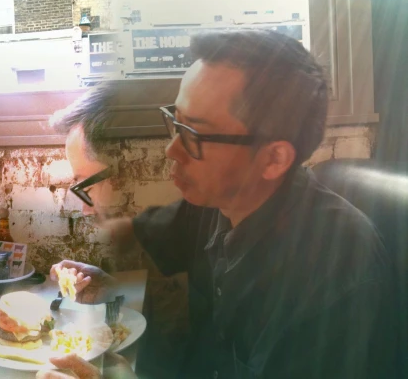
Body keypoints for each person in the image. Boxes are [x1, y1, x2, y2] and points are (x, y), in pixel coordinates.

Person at [48, 30, 394, 378]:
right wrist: (108, 288)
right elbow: (142, 238)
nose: (172, 151)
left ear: (273, 159)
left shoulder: (333, 274)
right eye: (176, 121)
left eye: (195, 135)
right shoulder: (214, 201)